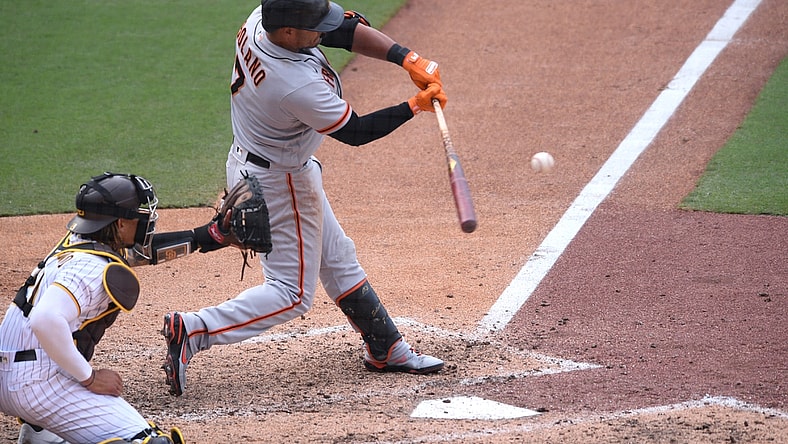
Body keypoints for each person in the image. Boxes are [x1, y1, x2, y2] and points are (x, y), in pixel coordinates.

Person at [161, 0, 449, 397]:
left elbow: (342, 30)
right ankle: (193, 330)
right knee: (290, 292)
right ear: (291, 34)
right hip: (280, 180)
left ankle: (386, 348)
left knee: (337, 256)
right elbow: (356, 132)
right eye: (314, 28)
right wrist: (414, 106)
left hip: (257, 159)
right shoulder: (293, 83)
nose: (322, 33)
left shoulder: (263, 20)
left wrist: (406, 58)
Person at [0, 172, 237, 443]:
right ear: (122, 223)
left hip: (8, 377)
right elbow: (44, 319)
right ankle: (44, 417)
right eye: (141, 214)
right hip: (37, 387)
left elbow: (137, 254)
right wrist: (89, 378)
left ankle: (41, 432)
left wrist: (204, 237)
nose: (147, 220)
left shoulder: (73, 244)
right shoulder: (91, 269)